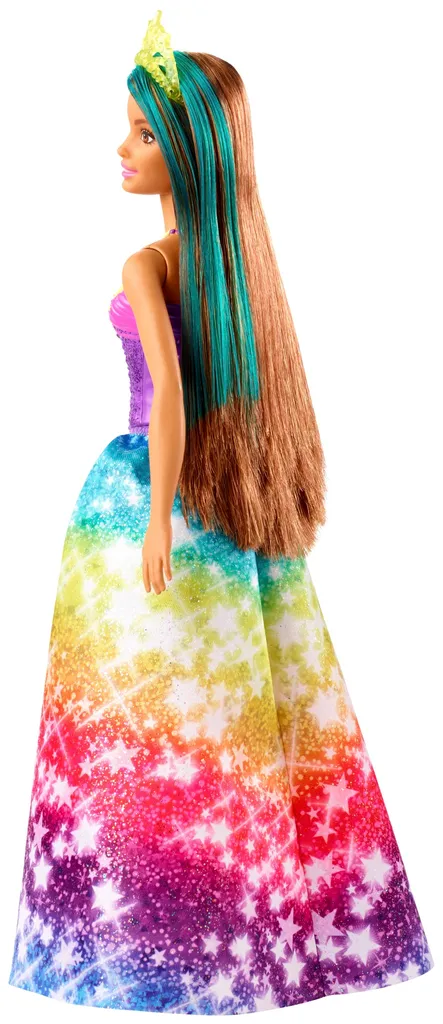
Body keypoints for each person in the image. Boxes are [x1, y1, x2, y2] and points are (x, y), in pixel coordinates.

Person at [8, 8, 434, 1015]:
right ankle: (249, 948)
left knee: (137, 726)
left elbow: (168, 398)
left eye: (144, 134)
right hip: (233, 515)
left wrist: (156, 516)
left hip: (149, 503)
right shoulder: (241, 270)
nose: (122, 149)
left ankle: (139, 951)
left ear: (191, 150)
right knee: (240, 722)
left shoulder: (148, 263)